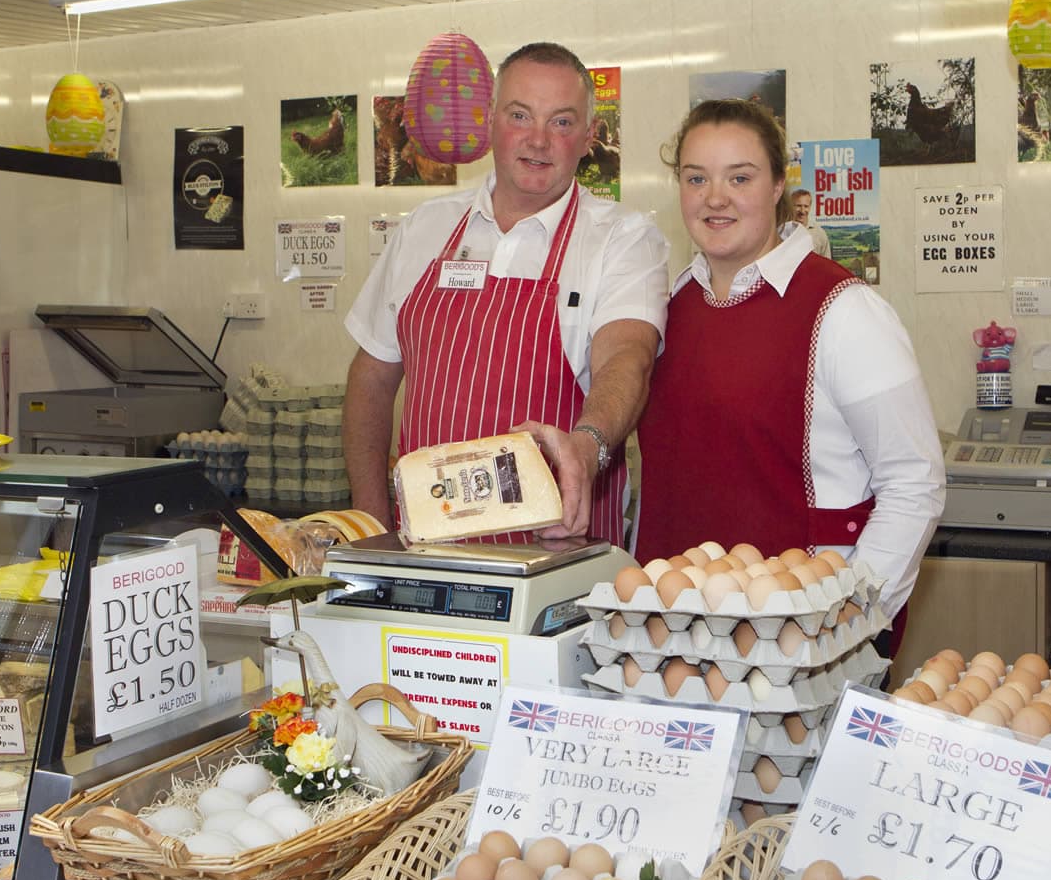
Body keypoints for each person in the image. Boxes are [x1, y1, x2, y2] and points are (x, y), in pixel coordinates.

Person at [343, 42, 669, 545]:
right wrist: (371, 523)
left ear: (587, 138)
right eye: (521, 115)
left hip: (558, 555)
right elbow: (371, 377)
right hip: (426, 554)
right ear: (491, 121)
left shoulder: (621, 238)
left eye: (561, 122)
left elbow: (627, 360)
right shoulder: (425, 229)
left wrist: (589, 445)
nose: (538, 140)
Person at [635, 99, 944, 626]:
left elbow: (914, 481)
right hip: (674, 632)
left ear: (779, 186)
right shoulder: (665, 310)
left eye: (740, 178)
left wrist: (852, 618)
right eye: (696, 179)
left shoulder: (845, 310)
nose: (715, 199)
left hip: (803, 639)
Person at [781, 188, 831, 257]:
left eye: (806, 206)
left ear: (810, 207)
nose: (802, 211)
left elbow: (827, 263)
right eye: (798, 206)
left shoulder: (820, 233)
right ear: (791, 206)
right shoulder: (782, 231)